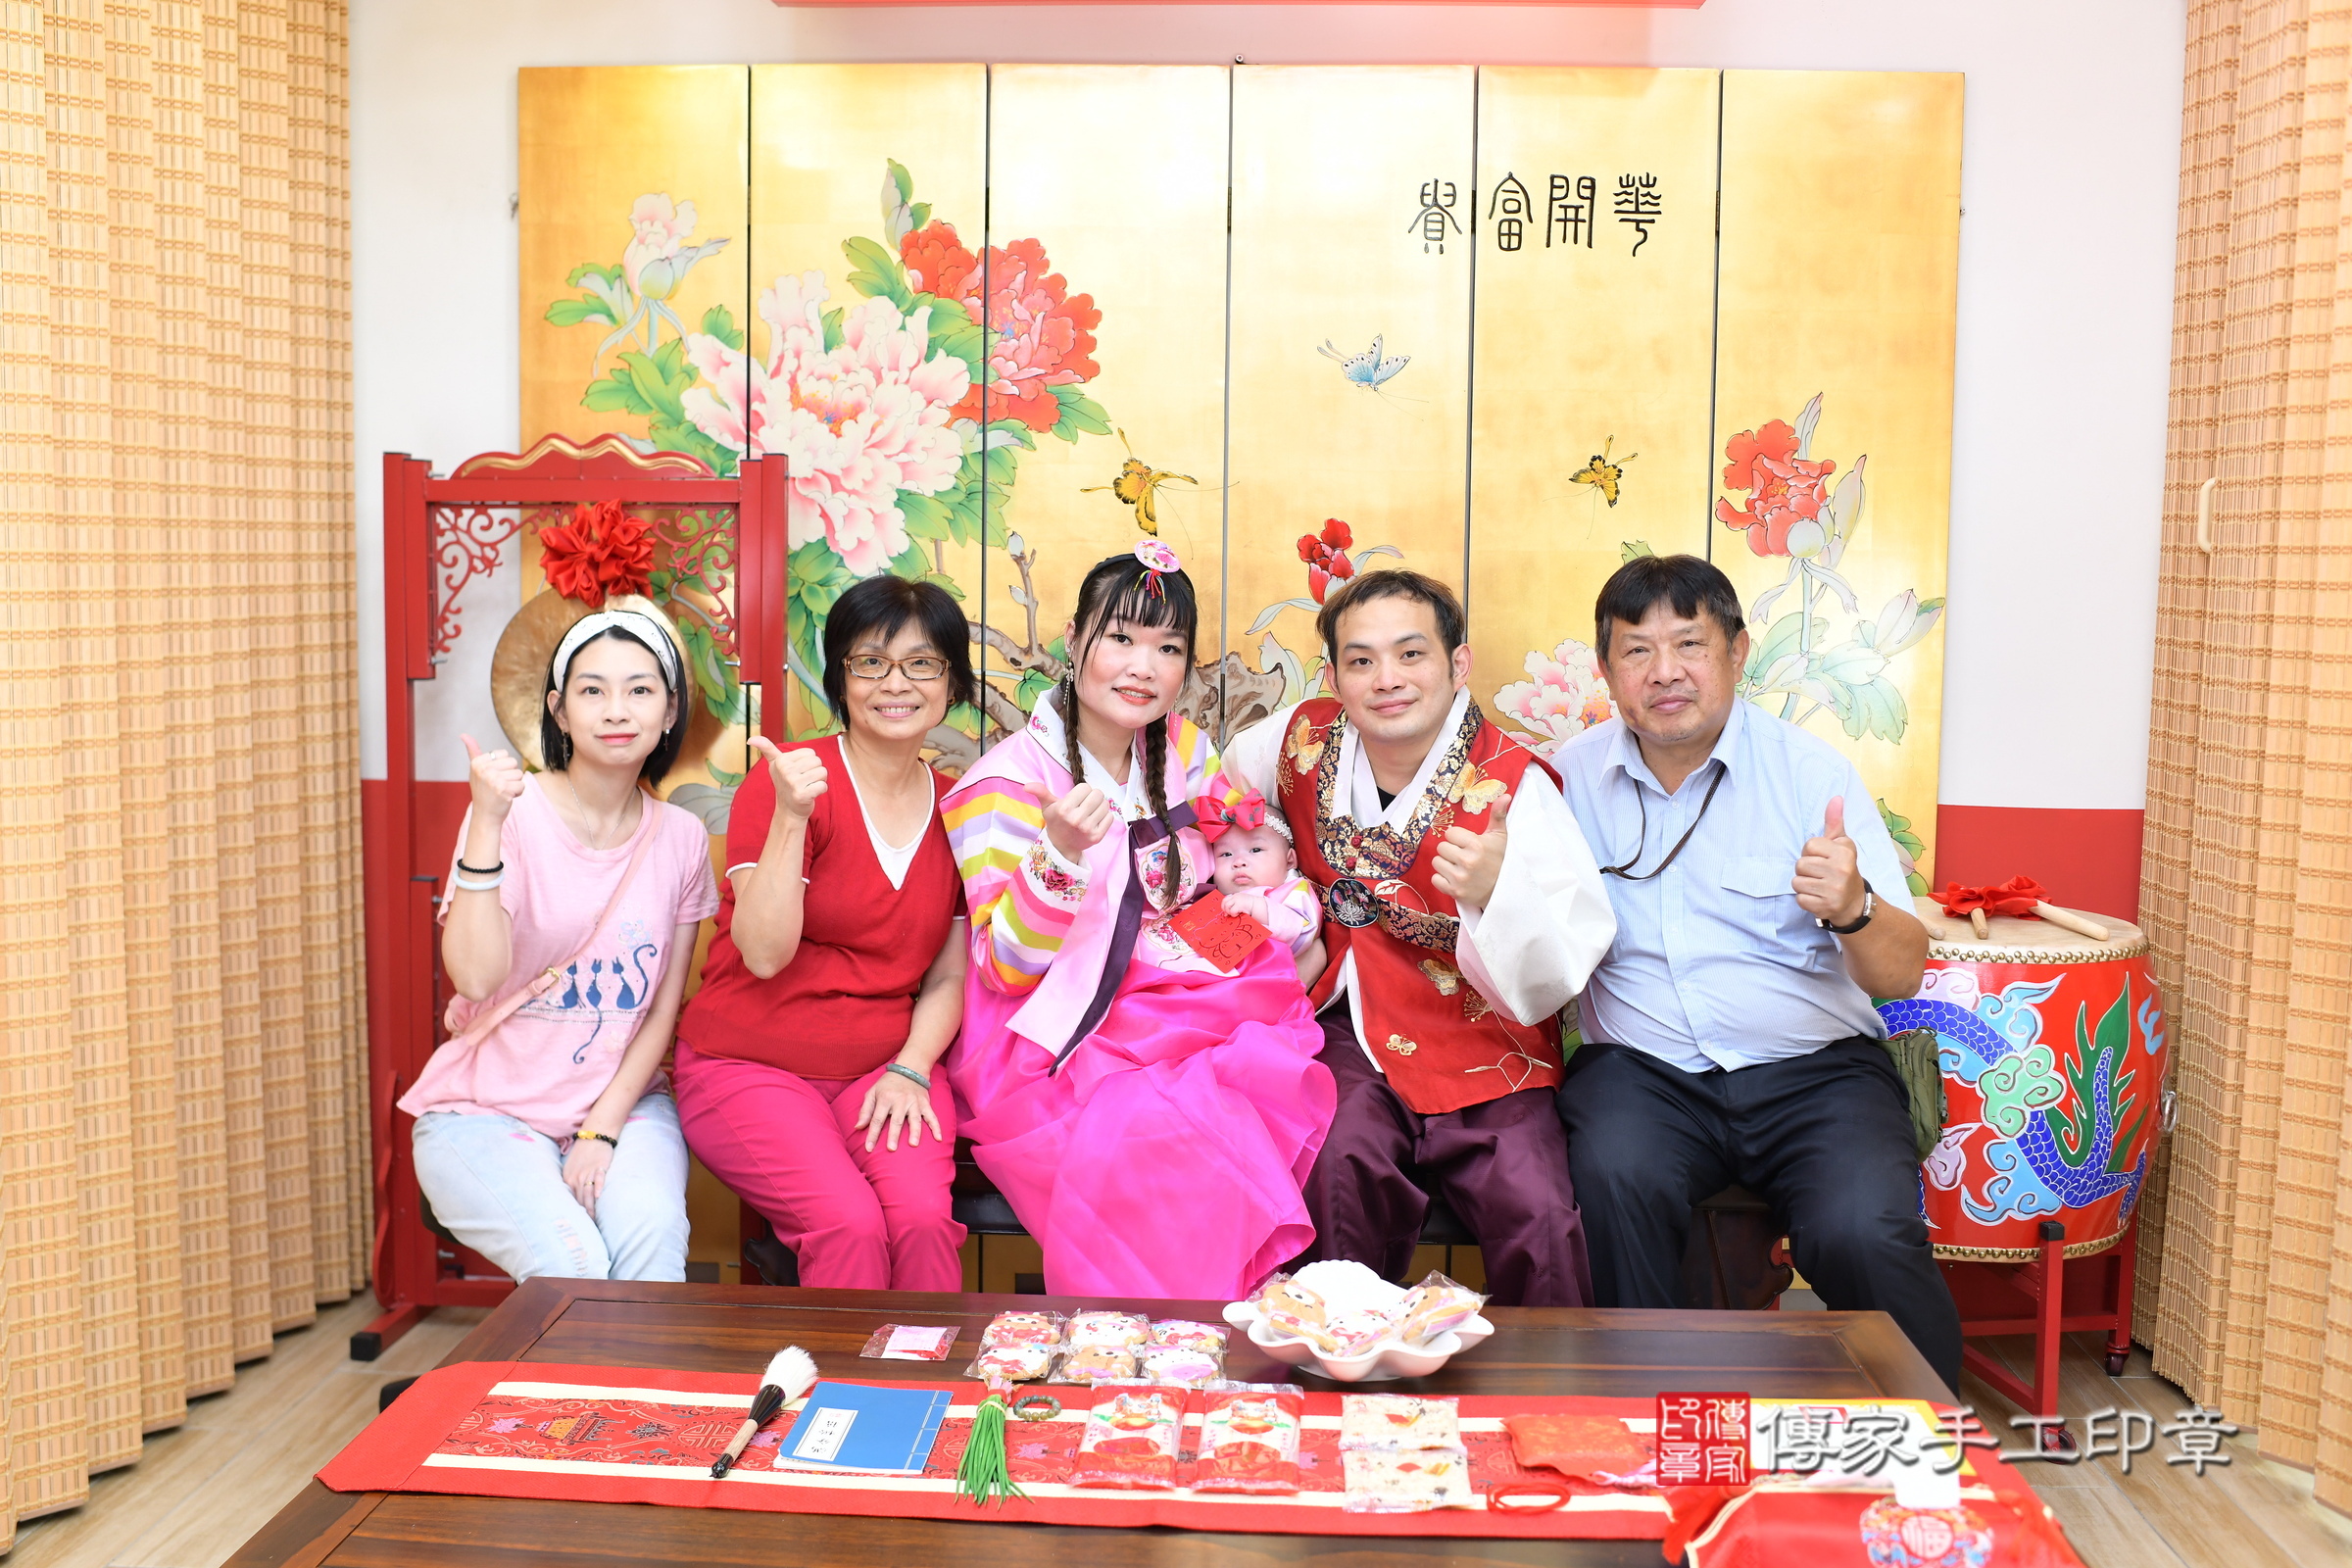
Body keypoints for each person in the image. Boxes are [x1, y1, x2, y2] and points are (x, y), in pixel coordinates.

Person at [1551, 553, 1962, 1390]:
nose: (1665, 672)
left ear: (1737, 652)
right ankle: (1646, 1418)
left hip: (1817, 1073)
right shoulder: (1564, 780)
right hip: (1644, 1072)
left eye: (1690, 644)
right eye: (1637, 651)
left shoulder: (1811, 775)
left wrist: (1853, 906)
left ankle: (1929, 1434)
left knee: (1861, 1228)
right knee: (1614, 1179)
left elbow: (1901, 975)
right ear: (1607, 670)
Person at [943, 541, 1336, 1298]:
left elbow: (1228, 872)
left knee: (1240, 1094)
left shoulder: (1185, 749)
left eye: (1168, 648)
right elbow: (1003, 968)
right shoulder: (1006, 783)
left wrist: (1281, 920)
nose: (1143, 667)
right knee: (1163, 1133)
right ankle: (1153, 1337)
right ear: (1072, 639)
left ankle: (1213, 1336)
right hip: (1054, 1028)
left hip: (1181, 995)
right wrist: (1059, 853)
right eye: (1120, 638)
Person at [1223, 569, 1617, 1307]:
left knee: (1537, 1206)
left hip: (1487, 1038)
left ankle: (1551, 1378)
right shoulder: (1294, 742)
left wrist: (1496, 890)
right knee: (1335, 1165)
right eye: (1361, 660)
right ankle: (1342, 1365)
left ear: (1457, 663)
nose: (1387, 680)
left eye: (1411, 654)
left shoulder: (1515, 783)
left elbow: (1567, 960)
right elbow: (1224, 811)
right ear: (1333, 675)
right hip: (1352, 1021)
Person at [400, 596, 718, 1282]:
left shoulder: (683, 838)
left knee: (653, 1246)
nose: (616, 710)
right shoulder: (512, 815)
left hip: (621, 1105)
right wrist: (486, 822)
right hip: (486, 1110)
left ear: (669, 712)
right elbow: (475, 979)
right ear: (559, 710)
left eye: (640, 691)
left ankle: (633, 1370)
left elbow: (662, 1010)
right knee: (574, 1265)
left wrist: (601, 1130)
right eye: (592, 691)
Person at [670, 575, 971, 1292]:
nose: (895, 683)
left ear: (950, 682)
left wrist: (911, 1067)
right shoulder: (788, 783)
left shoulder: (961, 807)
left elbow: (949, 976)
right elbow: (764, 954)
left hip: (885, 1067)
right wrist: (791, 818)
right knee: (848, 1224)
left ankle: (933, 1370)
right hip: (750, 1064)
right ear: (841, 675)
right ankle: (845, 1373)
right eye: (870, 662)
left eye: (921, 663)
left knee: (923, 1222)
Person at [1139, 785, 1328, 989]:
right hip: (1206, 976)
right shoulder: (1210, 898)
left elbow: (1304, 931)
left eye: (1256, 850)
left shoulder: (1291, 892)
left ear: (1289, 860)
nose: (1238, 862)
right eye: (1226, 854)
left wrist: (1256, 907)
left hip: (1256, 979)